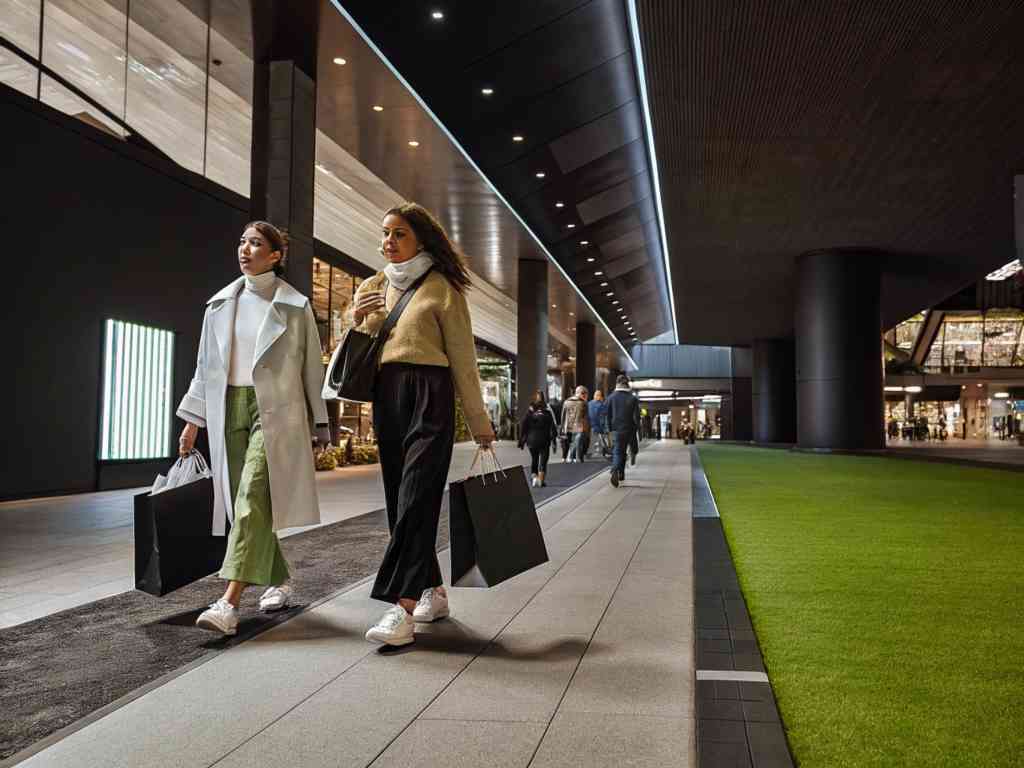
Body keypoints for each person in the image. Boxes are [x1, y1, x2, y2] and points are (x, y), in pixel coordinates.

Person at [352, 202, 495, 647]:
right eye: (385, 233)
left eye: (398, 234)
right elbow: (358, 347)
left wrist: (479, 421)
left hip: (431, 394)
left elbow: (464, 362)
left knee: (417, 495)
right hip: (387, 394)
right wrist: (355, 317)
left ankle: (403, 607)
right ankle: (433, 589)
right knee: (400, 500)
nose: (388, 242)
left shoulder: (444, 289)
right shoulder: (374, 285)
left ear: (422, 239)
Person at [178, 221, 329, 636]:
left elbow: (312, 368)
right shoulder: (219, 305)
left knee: (250, 498)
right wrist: (193, 421)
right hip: (228, 406)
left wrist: (320, 423)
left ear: (276, 256)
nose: (245, 249)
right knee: (248, 504)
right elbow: (205, 367)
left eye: (256, 243)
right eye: (242, 241)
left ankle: (228, 603)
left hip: (276, 412)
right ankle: (278, 577)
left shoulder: (295, 307)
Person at [605, 374, 640, 487]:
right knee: (623, 451)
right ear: (627, 384)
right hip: (629, 429)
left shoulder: (611, 397)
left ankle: (616, 470)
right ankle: (620, 473)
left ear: (617, 383)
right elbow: (636, 417)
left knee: (618, 451)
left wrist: (608, 430)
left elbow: (607, 415)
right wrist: (636, 429)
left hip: (616, 430)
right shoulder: (633, 398)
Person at [519, 390, 558, 487]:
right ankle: (541, 480)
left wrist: (522, 440)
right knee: (543, 461)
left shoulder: (530, 413)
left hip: (531, 440)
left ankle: (534, 478)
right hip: (544, 440)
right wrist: (554, 441)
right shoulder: (548, 413)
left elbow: (524, 426)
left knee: (534, 459)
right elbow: (553, 428)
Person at [561, 385, 590, 462]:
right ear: (583, 394)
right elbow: (586, 418)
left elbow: (563, 416)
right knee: (578, 444)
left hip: (568, 427)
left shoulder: (566, 402)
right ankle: (577, 458)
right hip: (579, 427)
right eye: (586, 394)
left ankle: (571, 457)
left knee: (574, 443)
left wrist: (562, 428)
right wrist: (587, 431)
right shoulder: (584, 403)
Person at [588, 389, 609, 459]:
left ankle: (591, 453)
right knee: (600, 440)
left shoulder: (589, 404)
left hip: (590, 426)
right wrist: (605, 428)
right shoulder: (602, 405)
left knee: (593, 440)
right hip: (599, 426)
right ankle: (600, 452)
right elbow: (603, 417)